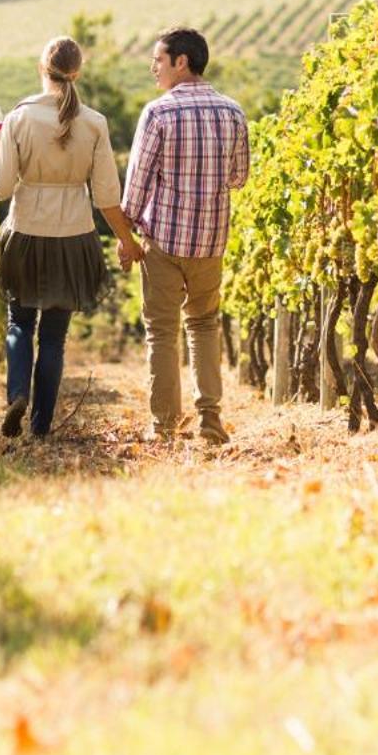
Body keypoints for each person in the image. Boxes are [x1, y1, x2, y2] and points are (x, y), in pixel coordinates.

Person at [0, 34, 143, 439]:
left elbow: (1, 188)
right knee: (54, 336)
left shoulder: (20, 117)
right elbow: (108, 195)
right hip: (74, 235)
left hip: (26, 231)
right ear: (79, 73)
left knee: (19, 322)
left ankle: (18, 391)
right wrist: (125, 239)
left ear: (42, 69)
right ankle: (41, 426)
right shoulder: (94, 122)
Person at [121, 27, 249, 444]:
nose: (153, 68)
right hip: (210, 241)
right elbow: (239, 177)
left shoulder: (158, 113)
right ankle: (210, 420)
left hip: (164, 240)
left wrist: (127, 236)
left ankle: (165, 427)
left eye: (158, 60)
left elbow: (137, 183)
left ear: (181, 61)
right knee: (205, 324)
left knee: (161, 330)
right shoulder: (233, 112)